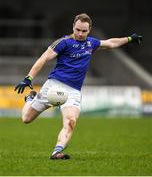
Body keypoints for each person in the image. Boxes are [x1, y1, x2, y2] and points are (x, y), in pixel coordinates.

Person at [14, 13, 142, 160]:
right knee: (26, 119)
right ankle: (30, 99)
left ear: (89, 30)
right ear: (73, 27)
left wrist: (130, 39)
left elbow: (111, 43)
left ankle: (56, 152)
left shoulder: (91, 43)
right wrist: (28, 78)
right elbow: (43, 58)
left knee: (71, 122)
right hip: (54, 86)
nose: (80, 33)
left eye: (84, 31)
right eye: (77, 29)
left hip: (73, 91)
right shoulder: (63, 42)